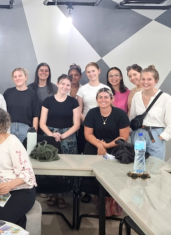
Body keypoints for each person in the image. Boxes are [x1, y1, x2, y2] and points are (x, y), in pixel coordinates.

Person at [39, 74, 80, 208]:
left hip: (68, 138)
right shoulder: (48, 101)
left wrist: (62, 136)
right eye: (62, 84)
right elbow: (42, 123)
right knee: (51, 166)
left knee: (66, 167)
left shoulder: (73, 102)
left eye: (68, 85)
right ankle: (53, 193)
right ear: (57, 83)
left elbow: (76, 124)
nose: (65, 87)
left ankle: (63, 195)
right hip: (50, 137)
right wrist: (52, 135)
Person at [129, 65, 171, 160]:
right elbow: (132, 117)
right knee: (137, 164)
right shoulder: (136, 96)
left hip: (155, 135)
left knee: (155, 167)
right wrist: (132, 133)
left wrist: (162, 137)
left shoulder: (166, 98)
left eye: (149, 79)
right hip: (138, 134)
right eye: (143, 79)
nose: (146, 82)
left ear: (156, 80)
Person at [76, 62, 110, 155]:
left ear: (99, 71)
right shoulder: (82, 89)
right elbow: (79, 109)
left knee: (103, 151)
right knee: (87, 151)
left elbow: (109, 107)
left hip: (103, 125)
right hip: (86, 125)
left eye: (93, 71)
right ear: (86, 74)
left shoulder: (106, 88)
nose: (91, 74)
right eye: (88, 72)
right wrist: (85, 121)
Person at [84, 88, 130, 155]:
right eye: (100, 97)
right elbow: (88, 134)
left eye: (106, 97)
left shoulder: (121, 114)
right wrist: (100, 146)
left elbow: (123, 137)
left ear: (112, 99)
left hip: (116, 146)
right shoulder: (91, 113)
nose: (103, 100)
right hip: (94, 145)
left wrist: (107, 145)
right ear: (96, 100)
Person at [3, 68, 40, 142]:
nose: (17, 78)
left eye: (20, 76)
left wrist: (33, 133)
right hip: (9, 128)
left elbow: (35, 116)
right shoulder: (8, 93)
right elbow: (2, 113)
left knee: (25, 152)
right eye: (15, 76)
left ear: (26, 77)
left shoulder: (32, 94)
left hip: (26, 130)